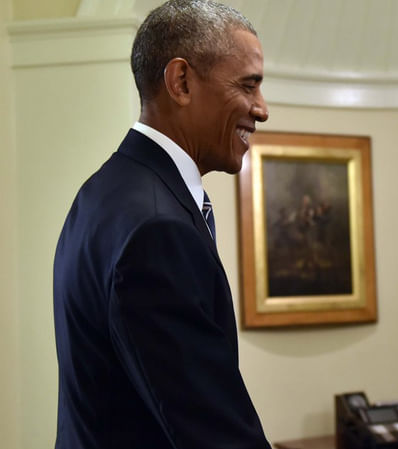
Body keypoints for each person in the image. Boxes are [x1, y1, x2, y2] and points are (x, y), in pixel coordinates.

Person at [52, 1, 270, 448]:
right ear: (181, 82)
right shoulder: (157, 228)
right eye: (248, 86)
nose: (261, 109)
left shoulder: (104, 192)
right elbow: (212, 432)